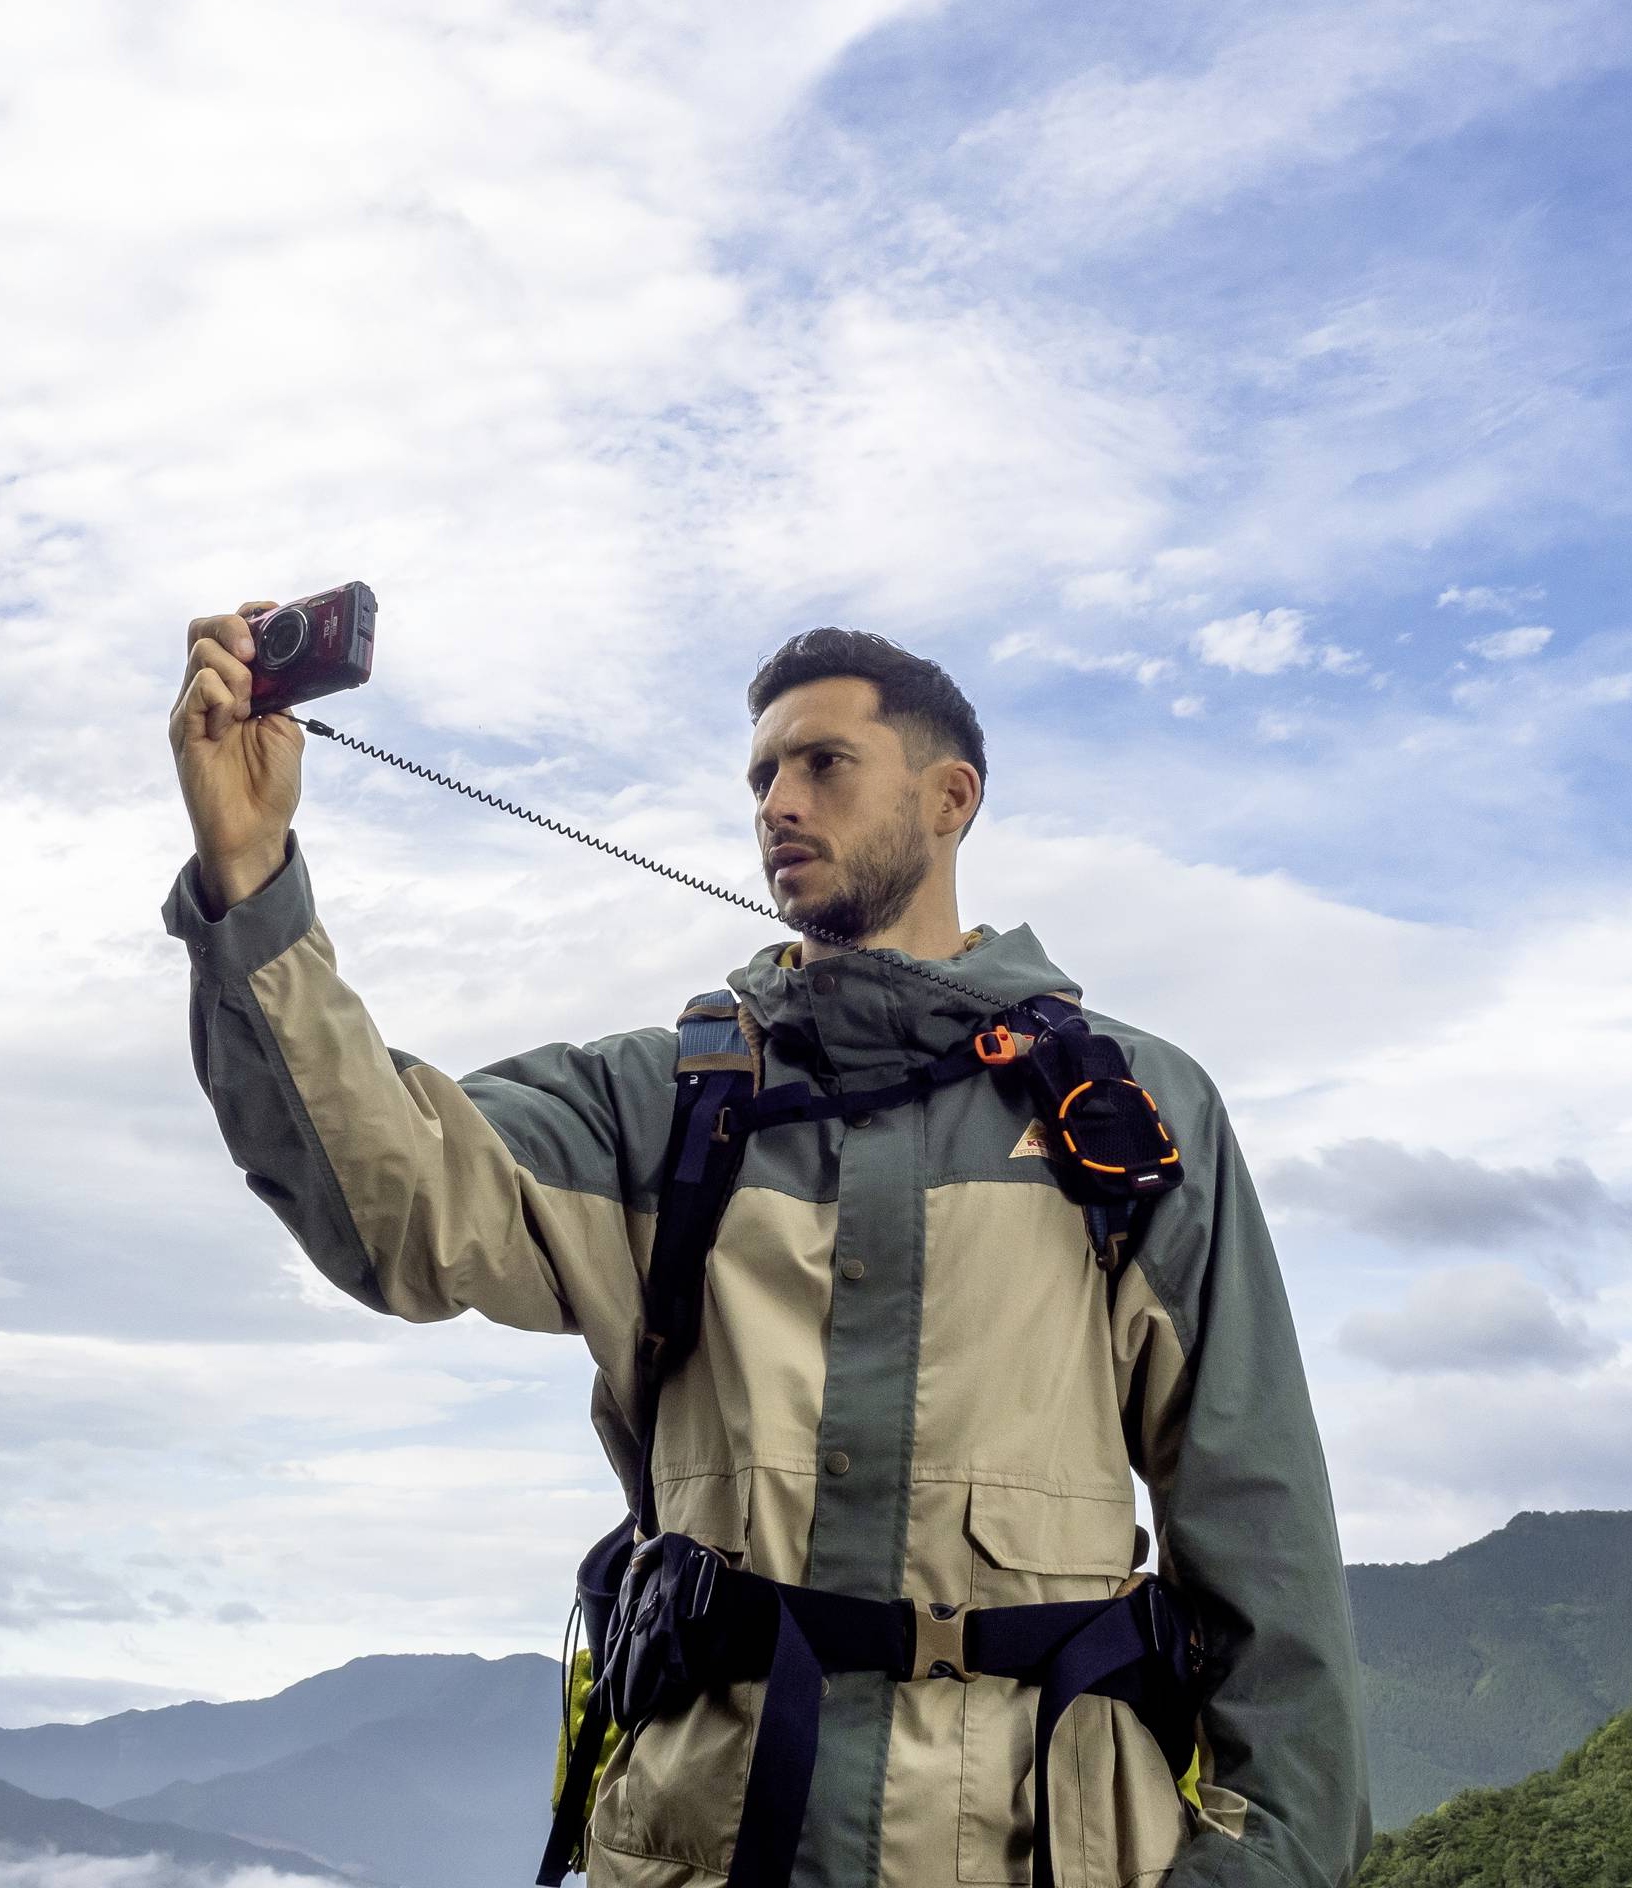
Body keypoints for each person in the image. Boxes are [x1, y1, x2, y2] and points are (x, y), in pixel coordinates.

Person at [162, 609, 1370, 1888]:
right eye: (762, 776)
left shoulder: (1129, 1111)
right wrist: (249, 876)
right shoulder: (662, 1103)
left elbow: (1257, 1518)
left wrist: (1261, 1865)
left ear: (951, 796)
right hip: (709, 1845)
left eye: (824, 764)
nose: (779, 802)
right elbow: (386, 1201)